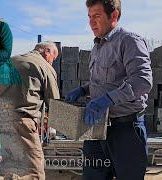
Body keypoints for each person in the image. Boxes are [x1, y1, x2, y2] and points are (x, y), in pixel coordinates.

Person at [65, 0, 152, 179]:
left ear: (113, 15)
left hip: (125, 130)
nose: (91, 22)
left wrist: (107, 100)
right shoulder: (97, 46)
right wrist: (83, 90)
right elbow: (104, 82)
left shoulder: (129, 41)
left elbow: (142, 81)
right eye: (89, 17)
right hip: (96, 128)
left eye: (96, 16)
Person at [5, 41, 59, 179]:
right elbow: (55, 105)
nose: (52, 62)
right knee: (36, 173)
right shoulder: (44, 66)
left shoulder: (10, 61)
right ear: (47, 51)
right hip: (21, 122)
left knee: (8, 170)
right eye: (53, 57)